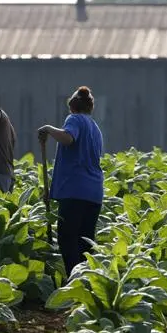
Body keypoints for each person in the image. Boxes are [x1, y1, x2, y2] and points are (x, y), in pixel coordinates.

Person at [38, 86, 104, 277]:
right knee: (85, 242)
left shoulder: (74, 119)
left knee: (67, 238)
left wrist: (49, 129)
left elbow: (68, 138)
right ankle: (85, 283)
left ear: (72, 106)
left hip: (75, 191)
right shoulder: (95, 128)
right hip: (94, 193)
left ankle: (74, 281)